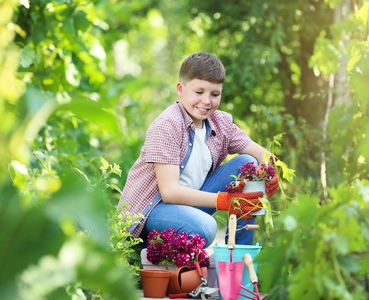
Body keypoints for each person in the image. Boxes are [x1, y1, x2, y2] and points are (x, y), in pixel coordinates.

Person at [118, 51, 279, 248]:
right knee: (206, 228)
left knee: (249, 163)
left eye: (214, 94)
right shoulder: (167, 125)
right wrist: (225, 201)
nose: (206, 101)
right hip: (152, 210)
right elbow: (169, 192)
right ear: (180, 88)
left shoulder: (221, 123)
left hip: (190, 206)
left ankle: (239, 260)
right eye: (199, 92)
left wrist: (269, 170)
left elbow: (262, 154)